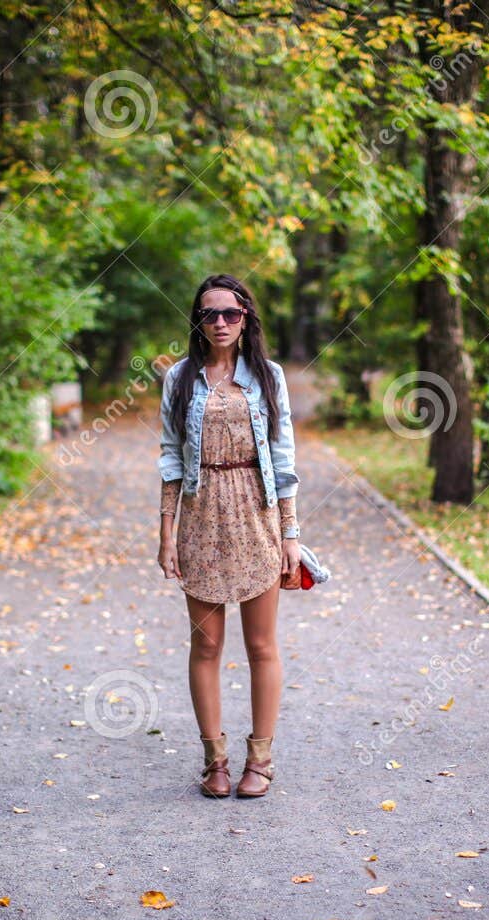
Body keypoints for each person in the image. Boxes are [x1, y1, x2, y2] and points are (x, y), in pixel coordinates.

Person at [156, 274, 300, 799]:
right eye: (209, 314)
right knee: (206, 646)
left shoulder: (268, 376)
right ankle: (214, 760)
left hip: (256, 513)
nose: (220, 323)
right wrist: (166, 532)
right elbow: (171, 458)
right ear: (197, 321)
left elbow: (283, 460)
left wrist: (290, 534)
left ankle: (259, 760)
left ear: (246, 320)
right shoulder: (179, 378)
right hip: (200, 514)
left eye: (230, 314)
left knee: (261, 645)